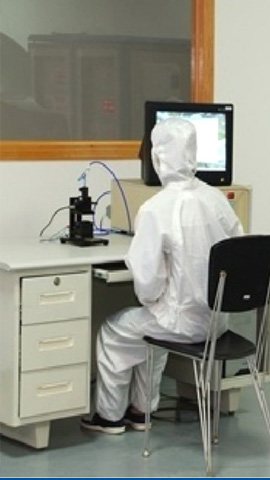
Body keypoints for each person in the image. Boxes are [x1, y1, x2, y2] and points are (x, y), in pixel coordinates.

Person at [81, 117, 244, 434]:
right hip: (218, 321)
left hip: (183, 324)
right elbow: (238, 251)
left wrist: (160, 298)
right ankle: (142, 411)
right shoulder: (216, 198)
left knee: (116, 330)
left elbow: (146, 285)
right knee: (152, 326)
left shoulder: (156, 208)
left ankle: (109, 417)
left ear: (158, 157)